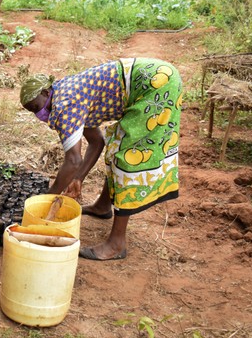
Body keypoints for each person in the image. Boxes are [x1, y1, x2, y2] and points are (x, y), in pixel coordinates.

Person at [20, 58, 182, 261]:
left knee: (128, 158)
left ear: (46, 92)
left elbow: (73, 161)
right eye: (32, 111)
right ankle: (103, 206)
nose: (38, 114)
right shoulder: (64, 93)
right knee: (115, 146)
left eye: (37, 107)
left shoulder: (65, 105)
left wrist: (47, 199)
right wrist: (77, 178)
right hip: (155, 75)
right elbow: (96, 142)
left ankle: (116, 244)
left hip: (157, 84)